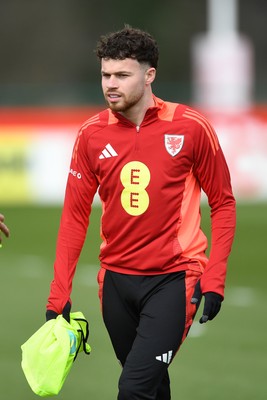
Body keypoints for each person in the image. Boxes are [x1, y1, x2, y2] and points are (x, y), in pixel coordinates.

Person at [46, 26, 236, 400]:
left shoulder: (191, 127)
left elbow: (224, 203)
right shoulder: (91, 135)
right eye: (105, 75)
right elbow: (74, 217)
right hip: (115, 284)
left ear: (149, 75)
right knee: (152, 388)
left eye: (121, 75)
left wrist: (215, 277)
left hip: (174, 280)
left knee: (133, 390)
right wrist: (58, 295)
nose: (110, 84)